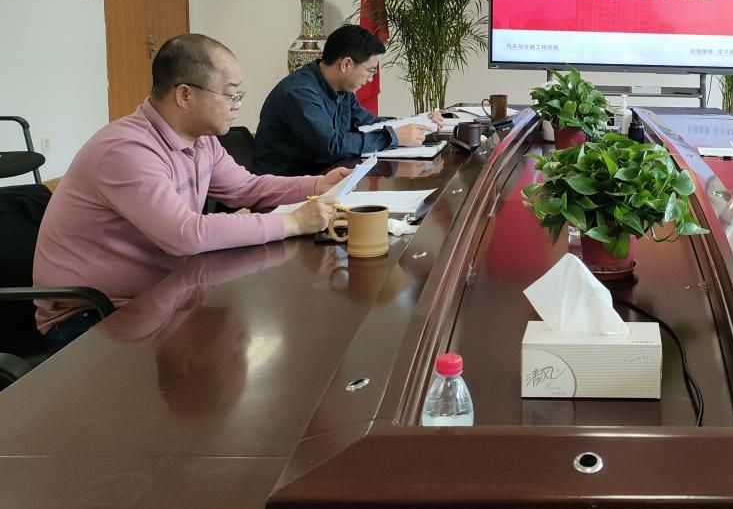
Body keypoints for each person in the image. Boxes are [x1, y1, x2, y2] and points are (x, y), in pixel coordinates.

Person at [34, 34, 346, 349]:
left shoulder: (202, 140)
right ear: (185, 95)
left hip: (160, 298)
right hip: (89, 318)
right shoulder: (127, 149)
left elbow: (246, 188)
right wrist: (293, 222)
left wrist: (316, 185)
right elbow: (184, 234)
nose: (237, 105)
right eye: (230, 94)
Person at [253, 24, 440, 176]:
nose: (371, 79)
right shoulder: (300, 92)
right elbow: (332, 145)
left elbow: (368, 123)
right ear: (346, 64)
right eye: (370, 70)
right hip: (287, 188)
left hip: (325, 178)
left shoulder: (343, 89)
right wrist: (393, 136)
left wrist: (419, 123)